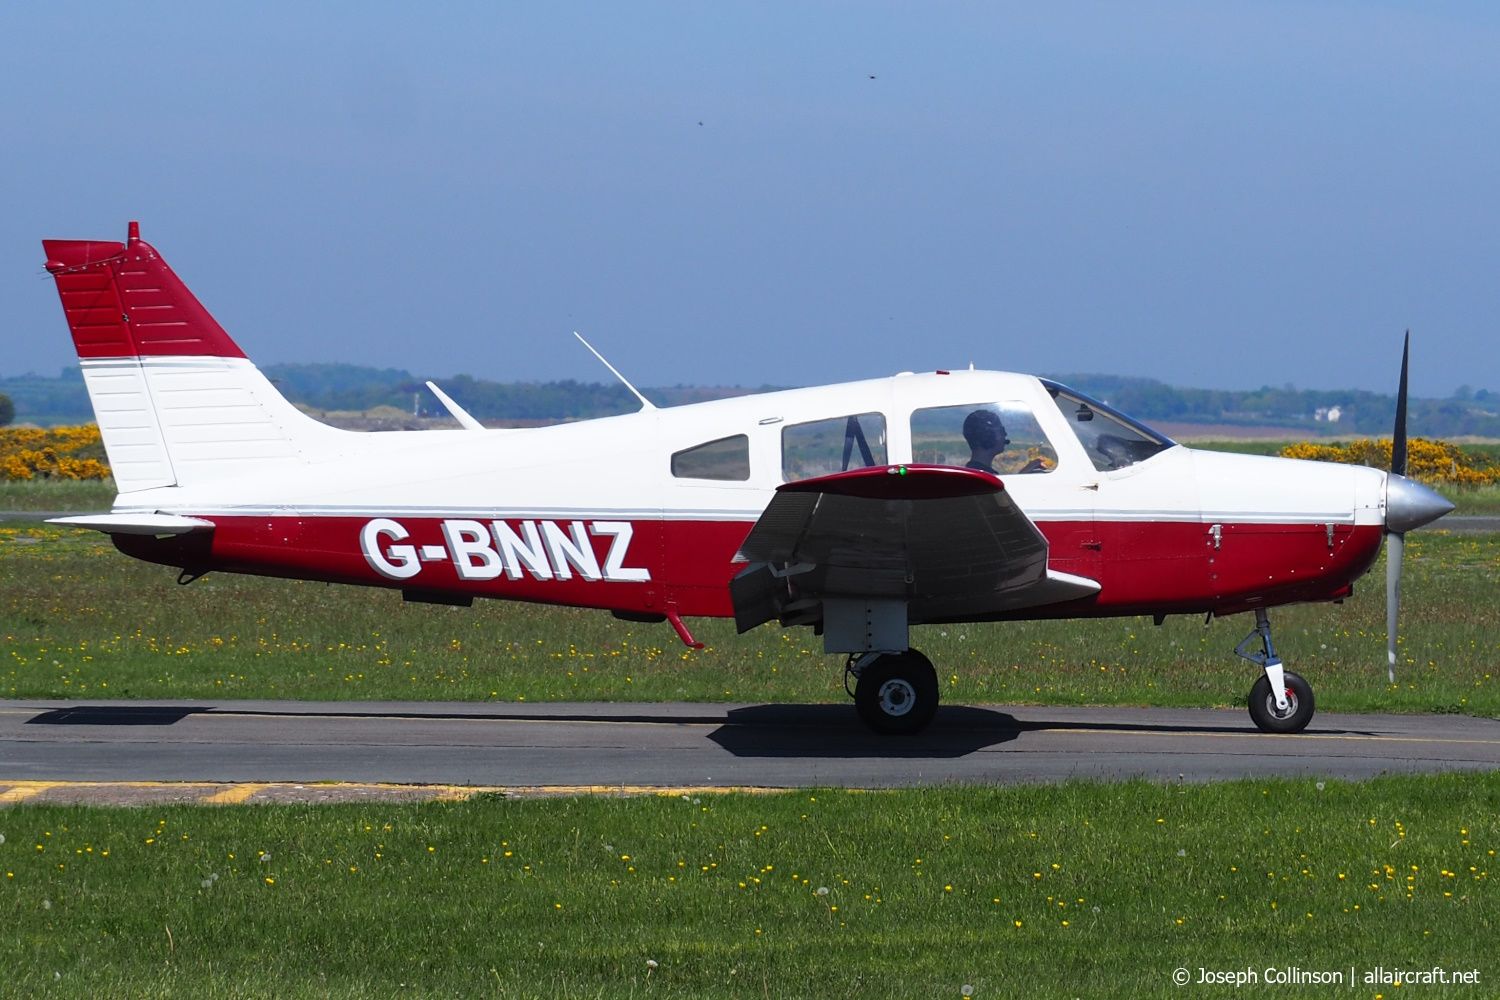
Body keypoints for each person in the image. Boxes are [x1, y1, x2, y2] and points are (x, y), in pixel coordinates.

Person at [962, 408, 1047, 474]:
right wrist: (1023, 475)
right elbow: (997, 496)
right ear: (988, 435)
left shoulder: (976, 472)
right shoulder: (980, 476)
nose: (1005, 434)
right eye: (1001, 430)